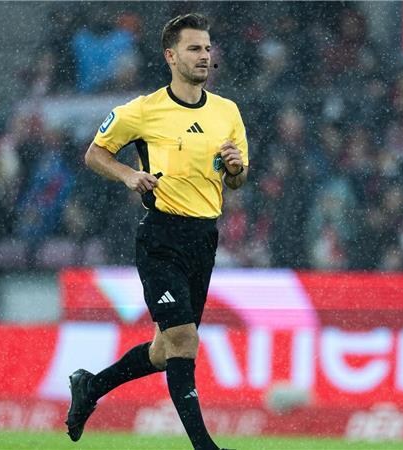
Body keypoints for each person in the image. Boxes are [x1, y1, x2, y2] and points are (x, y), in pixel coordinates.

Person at [66, 14, 247, 450]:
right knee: (185, 340)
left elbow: (237, 178)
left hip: (204, 240)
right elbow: (95, 153)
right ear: (171, 56)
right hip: (161, 238)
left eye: (207, 48)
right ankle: (205, 446)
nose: (204, 56)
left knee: (166, 350)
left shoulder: (228, 112)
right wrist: (129, 176)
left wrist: (237, 168)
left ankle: (91, 386)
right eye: (194, 49)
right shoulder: (143, 110)